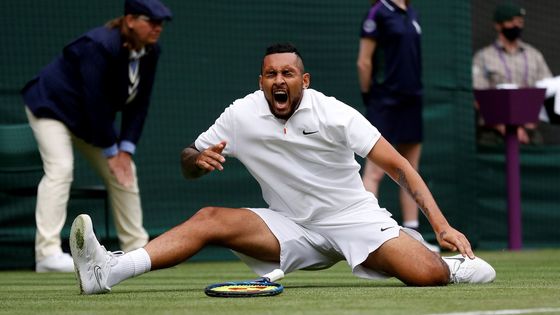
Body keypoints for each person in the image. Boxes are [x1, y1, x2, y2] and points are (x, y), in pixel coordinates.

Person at [69, 43, 495, 295]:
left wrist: (442, 225)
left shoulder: (334, 114)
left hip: (353, 218)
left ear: (303, 80)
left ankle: (443, 262)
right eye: (270, 73)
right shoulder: (240, 114)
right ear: (261, 82)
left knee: (425, 276)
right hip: (290, 225)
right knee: (208, 219)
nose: (279, 80)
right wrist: (197, 161)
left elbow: (400, 167)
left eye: (287, 73)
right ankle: (109, 270)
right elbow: (189, 161)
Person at [21, 0, 172, 272]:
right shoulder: (99, 45)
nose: (157, 27)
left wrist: (124, 150)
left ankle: (139, 250)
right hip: (52, 107)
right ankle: (47, 254)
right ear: (129, 20)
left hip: (88, 120)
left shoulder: (151, 51)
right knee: (61, 169)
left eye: (161, 23)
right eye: (151, 21)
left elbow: (139, 105)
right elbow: (96, 102)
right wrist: (111, 152)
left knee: (126, 170)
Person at [357, 0, 438, 251]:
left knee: (410, 168)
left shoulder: (412, 12)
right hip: (384, 102)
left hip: (412, 101)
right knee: (375, 171)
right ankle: (365, 234)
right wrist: (371, 96)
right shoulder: (378, 12)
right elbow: (364, 62)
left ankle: (413, 234)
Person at [472, 2, 553, 145]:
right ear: (498, 25)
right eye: (511, 22)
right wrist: (504, 127)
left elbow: (548, 92)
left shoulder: (534, 55)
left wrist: (528, 125)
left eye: (520, 22)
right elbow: (477, 98)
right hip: (494, 133)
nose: (516, 26)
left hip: (529, 132)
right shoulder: (483, 57)